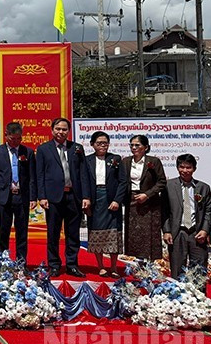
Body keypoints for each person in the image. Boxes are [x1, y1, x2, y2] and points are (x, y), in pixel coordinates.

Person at [36, 117, 91, 278]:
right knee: (53, 233)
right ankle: (54, 265)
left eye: (64, 129)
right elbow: (40, 174)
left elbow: (83, 174)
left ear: (68, 131)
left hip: (74, 196)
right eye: (58, 129)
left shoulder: (77, 148)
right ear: (52, 130)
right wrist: (42, 196)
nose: (61, 132)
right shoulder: (44, 149)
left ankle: (72, 264)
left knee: (73, 233)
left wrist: (86, 196)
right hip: (53, 197)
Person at [0, 122, 36, 263]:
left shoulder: (27, 152)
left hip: (22, 196)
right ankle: (3, 261)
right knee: (3, 230)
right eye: (13, 139)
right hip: (4, 196)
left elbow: (32, 177)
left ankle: (21, 262)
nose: (16, 141)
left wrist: (33, 197)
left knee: (22, 231)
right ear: (6, 135)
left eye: (18, 138)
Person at [162, 154, 211, 282]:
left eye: (188, 167)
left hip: (197, 233)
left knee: (199, 271)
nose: (185, 170)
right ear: (177, 168)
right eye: (181, 167)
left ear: (194, 168)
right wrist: (166, 231)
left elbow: (208, 211)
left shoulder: (203, 187)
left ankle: (198, 294)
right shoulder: (169, 186)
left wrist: (204, 230)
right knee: (177, 269)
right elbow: (164, 211)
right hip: (177, 232)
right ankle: (177, 293)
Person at [85, 131, 127, 278]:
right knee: (96, 231)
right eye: (99, 143)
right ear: (92, 144)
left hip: (111, 199)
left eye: (105, 143)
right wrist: (86, 200)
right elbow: (84, 181)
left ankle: (114, 266)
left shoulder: (115, 159)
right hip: (95, 199)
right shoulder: (87, 160)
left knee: (113, 232)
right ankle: (101, 266)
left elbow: (123, 181)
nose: (102, 146)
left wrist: (117, 200)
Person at [122, 135, 167, 261]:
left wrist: (147, 194)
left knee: (149, 234)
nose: (134, 147)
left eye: (137, 145)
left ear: (146, 147)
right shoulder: (126, 161)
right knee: (133, 233)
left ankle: (150, 263)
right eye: (131, 145)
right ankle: (136, 262)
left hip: (149, 202)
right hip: (131, 200)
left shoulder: (154, 161)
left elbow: (162, 182)